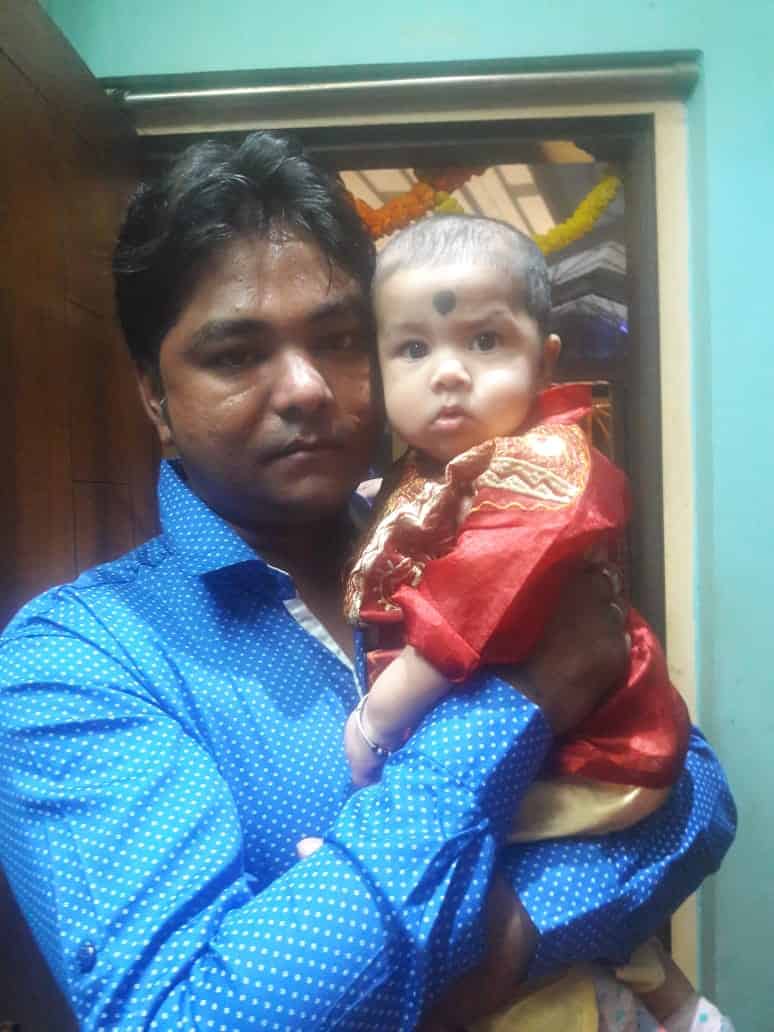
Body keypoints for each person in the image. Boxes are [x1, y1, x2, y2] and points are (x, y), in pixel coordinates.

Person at [0, 132, 734, 1031]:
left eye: (341, 340)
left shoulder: (466, 536)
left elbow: (695, 795)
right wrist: (519, 703)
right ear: (156, 396)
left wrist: (483, 947)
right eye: (235, 354)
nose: (306, 388)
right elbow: (193, 1020)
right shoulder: (73, 662)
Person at [337, 214, 733, 1030]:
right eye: (412, 349)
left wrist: (380, 716)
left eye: (484, 342)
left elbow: (476, 597)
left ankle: (360, 888)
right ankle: (676, 1003)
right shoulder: (422, 474)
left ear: (544, 360)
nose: (449, 374)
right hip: (567, 747)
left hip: (597, 753)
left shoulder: (545, 465)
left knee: (460, 853)